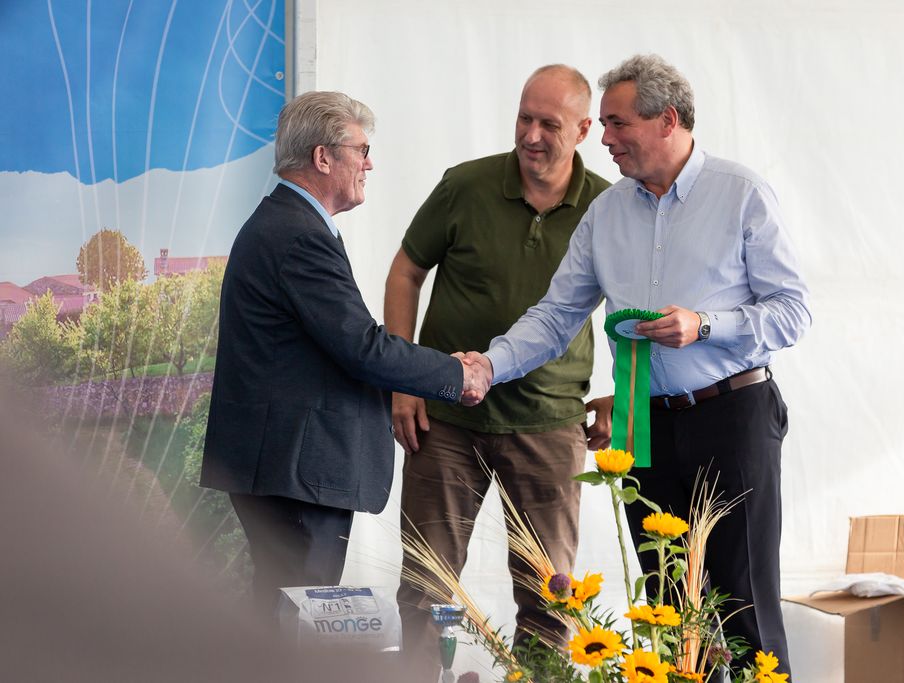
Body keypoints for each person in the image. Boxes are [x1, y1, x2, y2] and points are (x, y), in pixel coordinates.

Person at [469, 54, 811, 676]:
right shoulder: (605, 213)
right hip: (640, 422)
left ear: (667, 120)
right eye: (603, 124)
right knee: (667, 611)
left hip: (732, 415)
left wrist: (704, 325)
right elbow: (556, 314)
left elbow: (793, 312)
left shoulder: (742, 195)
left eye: (617, 123)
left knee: (744, 605)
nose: (603, 138)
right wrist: (488, 366)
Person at [200, 91, 490, 617]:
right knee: (295, 623)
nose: (369, 164)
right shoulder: (298, 235)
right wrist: (456, 373)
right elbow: (362, 347)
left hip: (287, 466)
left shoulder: (287, 224)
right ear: (323, 157)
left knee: (284, 615)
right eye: (362, 150)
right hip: (296, 470)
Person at [385, 65, 610, 677]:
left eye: (549, 124)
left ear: (584, 130)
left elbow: (638, 305)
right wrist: (404, 379)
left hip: (550, 423)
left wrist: (623, 394)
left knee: (550, 598)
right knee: (426, 585)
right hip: (445, 421)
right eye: (524, 118)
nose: (531, 135)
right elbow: (405, 271)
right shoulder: (465, 186)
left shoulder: (609, 206)